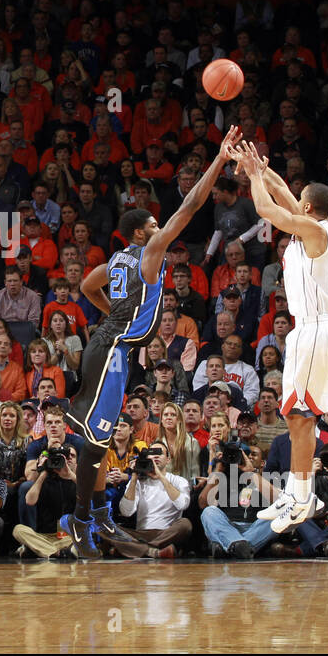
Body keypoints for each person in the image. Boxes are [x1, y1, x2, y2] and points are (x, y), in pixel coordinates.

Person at [63, 127, 238, 557]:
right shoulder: (149, 252)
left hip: (112, 347)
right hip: (109, 351)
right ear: (142, 233)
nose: (161, 227)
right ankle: (83, 520)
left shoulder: (114, 260)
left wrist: (112, 316)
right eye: (154, 225)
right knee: (93, 443)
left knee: (100, 442)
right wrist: (218, 161)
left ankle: (98, 513)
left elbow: (87, 286)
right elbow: (191, 205)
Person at [231, 140, 328, 534]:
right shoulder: (309, 223)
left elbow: (265, 208)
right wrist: (259, 167)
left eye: (300, 202)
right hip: (305, 330)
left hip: (316, 327)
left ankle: (302, 493)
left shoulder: (315, 232)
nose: (294, 203)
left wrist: (255, 178)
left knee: (301, 414)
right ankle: (297, 490)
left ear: (308, 209)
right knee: (294, 414)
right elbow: (281, 192)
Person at [116, 436, 192, 558]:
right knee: (106, 527)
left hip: (167, 534)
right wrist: (134, 476)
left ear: (168, 459)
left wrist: (161, 478)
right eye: (151, 453)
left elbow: (183, 504)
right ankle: (151, 551)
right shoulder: (137, 481)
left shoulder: (179, 481)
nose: (155, 456)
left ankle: (134, 549)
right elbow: (126, 512)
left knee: (185, 524)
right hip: (141, 534)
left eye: (159, 453)